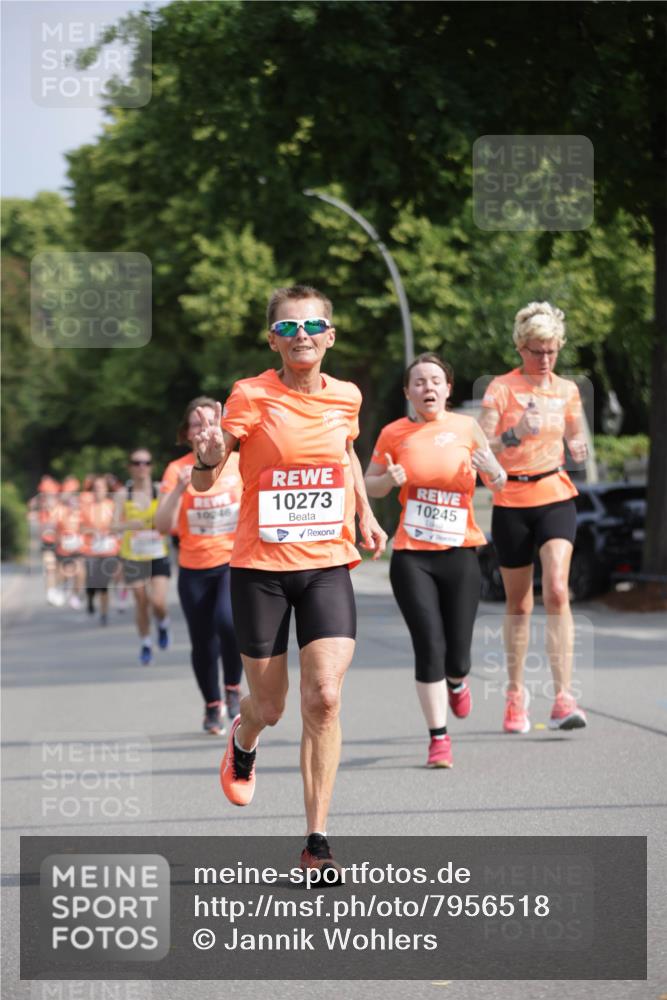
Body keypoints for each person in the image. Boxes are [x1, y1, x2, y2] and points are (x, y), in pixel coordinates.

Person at [191, 284, 386, 877]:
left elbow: (347, 455)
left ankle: (317, 839)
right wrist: (205, 455)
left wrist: (367, 513)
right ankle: (243, 736)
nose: (301, 337)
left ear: (330, 335)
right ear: (272, 338)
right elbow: (205, 483)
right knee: (272, 706)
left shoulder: (347, 397)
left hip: (327, 562)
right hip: (260, 570)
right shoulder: (249, 396)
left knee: (324, 697)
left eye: (312, 326)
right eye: (288, 329)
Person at [365, 353, 507, 768]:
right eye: (419, 382)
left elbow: (497, 481)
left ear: (448, 388)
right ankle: (438, 738)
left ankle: (458, 681)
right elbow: (370, 485)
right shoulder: (394, 433)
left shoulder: (467, 428)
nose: (428, 388)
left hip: (460, 552)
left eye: (435, 381)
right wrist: (386, 481)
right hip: (412, 556)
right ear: (408, 392)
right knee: (429, 645)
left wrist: (493, 471)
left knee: (457, 655)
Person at [478, 301, 589, 733]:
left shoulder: (567, 391)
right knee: (520, 605)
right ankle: (515, 694)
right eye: (537, 351)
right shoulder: (500, 390)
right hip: (511, 501)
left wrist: (578, 447)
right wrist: (515, 433)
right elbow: (482, 446)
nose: (545, 360)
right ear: (521, 348)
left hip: (555, 493)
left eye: (552, 351)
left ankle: (564, 697)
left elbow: (577, 434)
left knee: (558, 590)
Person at [156, 397, 244, 736]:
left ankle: (233, 688)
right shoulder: (175, 470)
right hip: (193, 568)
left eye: (211, 420)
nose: (204, 427)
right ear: (187, 432)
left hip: (232, 561)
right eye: (196, 423)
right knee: (203, 641)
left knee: (228, 621)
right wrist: (178, 489)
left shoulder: (237, 463)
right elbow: (163, 525)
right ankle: (212, 705)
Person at [113, 449, 171, 665]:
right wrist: (129, 524)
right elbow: (113, 525)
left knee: (158, 602)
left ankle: (163, 624)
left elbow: (172, 518)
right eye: (136, 463)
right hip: (133, 556)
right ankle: (146, 642)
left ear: (151, 466)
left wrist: (162, 522)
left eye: (146, 462)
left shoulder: (159, 490)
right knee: (141, 601)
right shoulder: (123, 494)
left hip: (157, 554)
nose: (141, 467)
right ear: (130, 466)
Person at [81, 475, 120, 626]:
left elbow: (119, 525)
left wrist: (111, 531)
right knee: (91, 583)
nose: (98, 491)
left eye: (101, 488)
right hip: (91, 549)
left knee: (104, 584)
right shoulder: (86, 508)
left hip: (109, 550)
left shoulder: (112, 506)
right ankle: (90, 597)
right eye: (96, 488)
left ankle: (104, 614)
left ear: (106, 490)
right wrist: (94, 531)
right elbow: (81, 527)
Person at [53, 477, 85, 610]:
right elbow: (54, 528)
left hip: (78, 547)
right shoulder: (59, 510)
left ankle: (75, 596)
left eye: (74, 493)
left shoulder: (81, 510)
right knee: (64, 572)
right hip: (63, 548)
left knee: (80, 572)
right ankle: (61, 589)